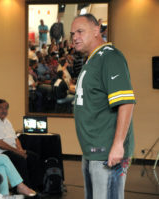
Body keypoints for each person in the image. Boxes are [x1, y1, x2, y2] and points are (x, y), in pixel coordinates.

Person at [71, 14, 135, 199]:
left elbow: (126, 102)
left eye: (80, 31)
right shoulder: (92, 60)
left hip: (107, 151)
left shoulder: (110, 57)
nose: (75, 37)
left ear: (97, 30)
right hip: (92, 151)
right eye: (73, 33)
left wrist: (117, 145)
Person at [0, 99, 42, 189]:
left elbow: (15, 138)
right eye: (1, 108)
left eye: (6, 108)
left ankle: (35, 187)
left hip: (11, 150)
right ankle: (23, 188)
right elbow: (0, 144)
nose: (4, 110)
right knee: (20, 159)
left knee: (34, 157)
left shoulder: (6, 121)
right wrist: (18, 152)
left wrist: (20, 149)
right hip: (0, 152)